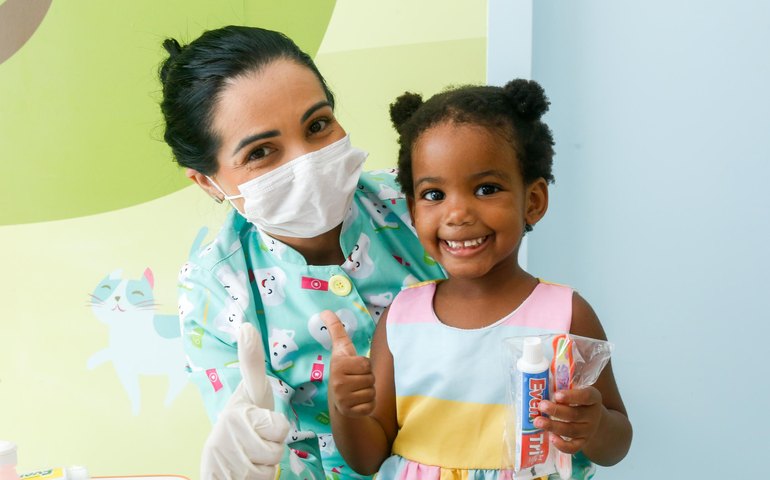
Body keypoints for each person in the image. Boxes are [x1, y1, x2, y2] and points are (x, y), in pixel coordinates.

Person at [158, 26, 446, 479]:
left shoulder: (423, 202)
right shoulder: (214, 289)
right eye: (261, 152)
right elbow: (250, 434)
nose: (305, 160)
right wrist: (244, 452)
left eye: (317, 125)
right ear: (207, 182)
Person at [324, 79, 633, 479]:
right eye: (434, 195)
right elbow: (368, 458)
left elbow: (616, 444)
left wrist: (593, 425)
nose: (457, 213)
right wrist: (345, 408)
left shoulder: (565, 312)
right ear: (414, 211)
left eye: (486, 188)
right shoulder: (402, 317)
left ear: (533, 201)